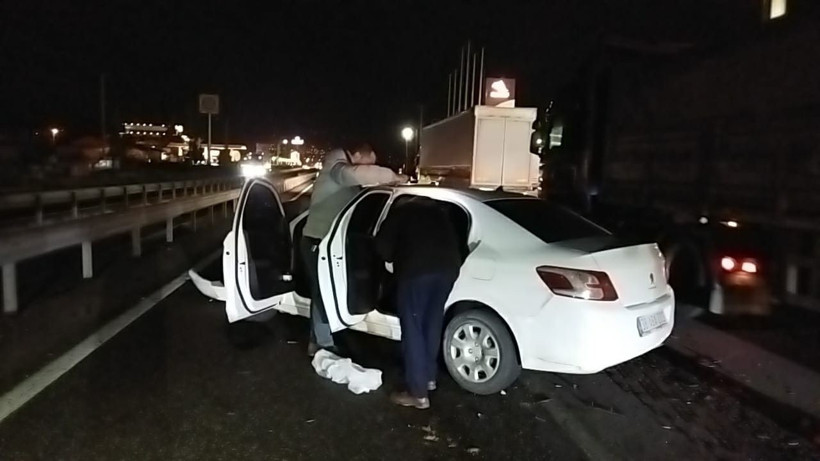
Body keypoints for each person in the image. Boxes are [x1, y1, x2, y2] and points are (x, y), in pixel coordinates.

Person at [302, 143, 406, 356]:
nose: (371, 167)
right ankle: (322, 343)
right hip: (317, 241)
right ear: (357, 155)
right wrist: (393, 176)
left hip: (332, 242)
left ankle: (322, 336)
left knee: (327, 289)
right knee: (323, 292)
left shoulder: (344, 168)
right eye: (370, 163)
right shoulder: (336, 164)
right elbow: (355, 174)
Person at [375, 197, 462, 409]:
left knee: (412, 328)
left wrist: (395, 257)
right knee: (431, 323)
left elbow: (382, 248)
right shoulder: (439, 214)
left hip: (416, 272)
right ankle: (429, 378)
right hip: (448, 270)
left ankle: (417, 393)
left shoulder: (398, 214)